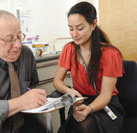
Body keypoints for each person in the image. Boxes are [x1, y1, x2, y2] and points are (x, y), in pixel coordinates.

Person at [53, 2, 125, 133]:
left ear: (93, 24)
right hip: (81, 102)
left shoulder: (110, 54)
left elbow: (105, 95)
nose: (74, 34)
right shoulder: (69, 49)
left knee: (85, 126)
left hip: (105, 106)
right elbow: (57, 81)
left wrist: (89, 109)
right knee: (76, 126)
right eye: (71, 28)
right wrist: (69, 91)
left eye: (80, 28)